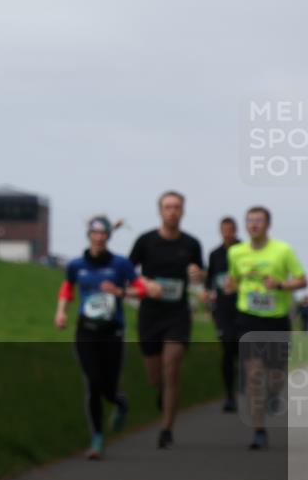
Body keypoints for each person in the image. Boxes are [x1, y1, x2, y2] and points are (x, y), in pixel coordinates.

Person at [55, 216, 157, 460]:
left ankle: (120, 402)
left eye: (103, 234)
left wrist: (120, 291)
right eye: (95, 233)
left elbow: (142, 289)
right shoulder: (76, 265)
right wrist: (60, 312)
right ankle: (97, 438)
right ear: (89, 235)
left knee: (108, 388)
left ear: (108, 237)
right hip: (86, 331)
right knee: (92, 383)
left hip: (113, 332)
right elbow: (67, 287)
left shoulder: (120, 264)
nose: (99, 238)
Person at [224, 206, 306, 450]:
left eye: (259, 221)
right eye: (250, 221)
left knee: (275, 374)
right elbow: (235, 279)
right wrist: (230, 285)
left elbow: (302, 279)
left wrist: (280, 284)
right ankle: (259, 430)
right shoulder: (236, 252)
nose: (254, 225)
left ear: (268, 225)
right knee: (254, 374)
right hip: (248, 318)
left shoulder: (283, 250)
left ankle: (274, 394)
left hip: (277, 319)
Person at [129, 191, 204, 449]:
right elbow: (128, 274)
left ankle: (166, 428)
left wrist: (198, 274)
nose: (172, 211)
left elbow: (199, 275)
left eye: (177, 207)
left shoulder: (191, 244)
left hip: (177, 314)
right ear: (160, 211)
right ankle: (162, 394)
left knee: (171, 366)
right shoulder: (145, 241)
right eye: (167, 207)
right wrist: (145, 283)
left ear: (183, 211)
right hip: (150, 314)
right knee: (155, 376)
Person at [203, 216, 241, 412]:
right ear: (220, 231)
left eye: (230, 229)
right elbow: (209, 281)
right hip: (223, 310)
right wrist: (207, 294)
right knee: (227, 350)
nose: (227, 233)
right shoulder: (215, 254)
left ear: (236, 230)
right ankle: (229, 396)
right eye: (224, 229)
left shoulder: (245, 250)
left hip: (244, 308)